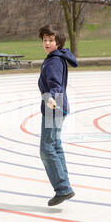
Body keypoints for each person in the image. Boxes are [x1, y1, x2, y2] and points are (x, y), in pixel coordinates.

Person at [37, 24, 78, 206]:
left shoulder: (54, 61)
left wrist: (51, 98)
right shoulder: (56, 57)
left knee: (47, 148)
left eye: (51, 40)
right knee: (55, 145)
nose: (47, 43)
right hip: (57, 104)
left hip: (54, 105)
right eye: (45, 39)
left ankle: (63, 188)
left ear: (58, 42)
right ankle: (64, 186)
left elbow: (55, 85)